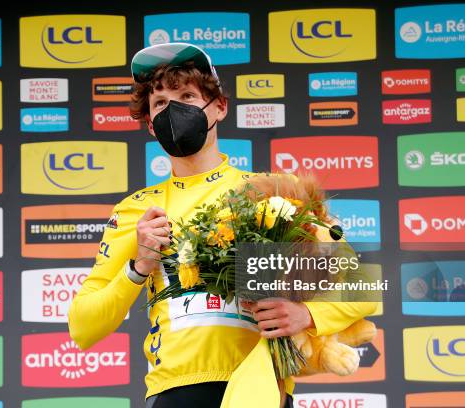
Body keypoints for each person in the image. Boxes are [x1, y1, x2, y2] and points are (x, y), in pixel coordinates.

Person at [68, 42, 377, 407]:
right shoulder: (137, 210)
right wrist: (138, 268)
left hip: (263, 386)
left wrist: (306, 314)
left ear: (219, 107)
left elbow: (367, 284)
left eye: (186, 95)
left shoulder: (274, 191)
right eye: (161, 103)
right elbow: (83, 328)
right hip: (175, 391)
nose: (174, 110)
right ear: (151, 124)